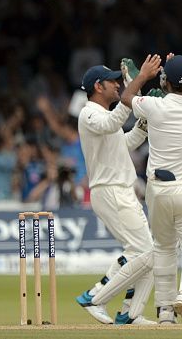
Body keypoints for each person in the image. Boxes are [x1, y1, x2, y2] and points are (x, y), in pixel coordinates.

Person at [120, 54, 182, 324]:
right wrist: (176, 75)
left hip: (157, 189)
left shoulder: (154, 106)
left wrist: (145, 76)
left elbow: (126, 98)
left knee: (163, 248)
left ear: (164, 81)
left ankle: (165, 312)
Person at [75, 63, 158, 325]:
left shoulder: (104, 117)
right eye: (112, 82)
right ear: (98, 87)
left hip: (120, 190)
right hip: (110, 191)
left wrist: (144, 124)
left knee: (147, 253)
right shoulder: (89, 114)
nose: (118, 84)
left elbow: (124, 143)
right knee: (144, 252)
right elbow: (112, 123)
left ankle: (129, 313)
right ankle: (94, 297)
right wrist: (140, 80)